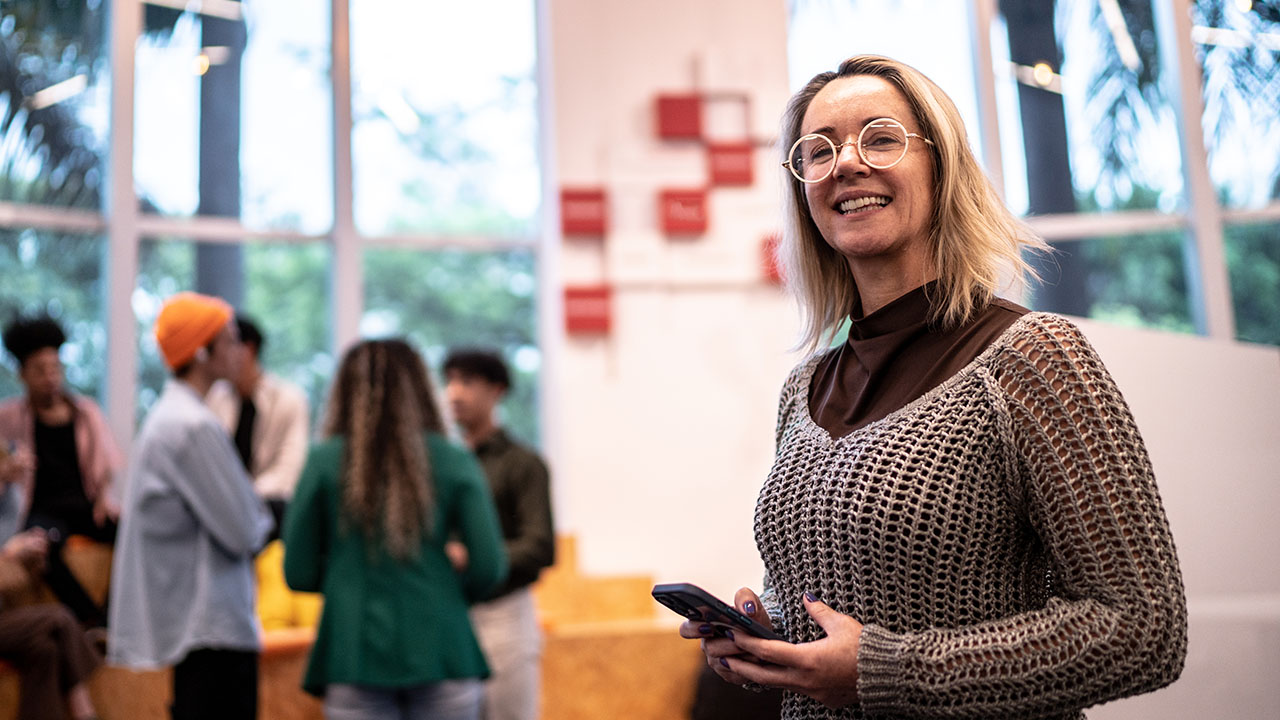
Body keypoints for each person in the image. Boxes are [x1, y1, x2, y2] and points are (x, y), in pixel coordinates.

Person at [678, 55, 1187, 719]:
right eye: (818, 149)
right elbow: (838, 600)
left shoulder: (1033, 360)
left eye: (881, 137)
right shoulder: (803, 388)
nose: (847, 163)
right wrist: (767, 636)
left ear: (940, 166)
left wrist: (886, 672)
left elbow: (1143, 630)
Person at [284, 338, 507, 720]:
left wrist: (347, 580)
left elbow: (298, 571)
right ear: (420, 388)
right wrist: (446, 593)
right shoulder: (453, 459)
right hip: (445, 649)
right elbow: (489, 566)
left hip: (353, 653)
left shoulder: (323, 461)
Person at [108, 292, 272, 720]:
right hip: (212, 625)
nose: (241, 351)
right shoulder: (192, 426)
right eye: (232, 340)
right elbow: (242, 528)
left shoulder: (174, 417)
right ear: (202, 353)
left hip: (201, 627)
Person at [442, 349, 555, 720]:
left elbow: (540, 546)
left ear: (497, 390)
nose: (454, 392)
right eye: (450, 380)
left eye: (467, 382)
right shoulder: (443, 462)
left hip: (504, 616)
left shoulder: (523, 463)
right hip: (451, 615)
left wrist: (472, 557)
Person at [0, 315, 123, 629]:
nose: (50, 377)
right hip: (40, 510)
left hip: (85, 505)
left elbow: (107, 465)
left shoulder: (86, 413)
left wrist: (104, 497)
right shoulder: (9, 417)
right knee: (44, 544)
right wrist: (7, 471)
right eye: (39, 370)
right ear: (22, 374)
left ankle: (116, 615)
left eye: (55, 368)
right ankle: (91, 620)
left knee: (131, 532)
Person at [206, 314, 310, 541]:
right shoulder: (215, 399)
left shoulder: (288, 399)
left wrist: (243, 497)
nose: (218, 355)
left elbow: (289, 470)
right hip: (224, 512)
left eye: (228, 344)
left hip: (270, 510)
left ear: (249, 349)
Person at [0, 527, 103, 720]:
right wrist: (8, 554)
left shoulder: (10, 510)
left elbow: (17, 592)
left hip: (8, 620)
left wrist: (30, 558)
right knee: (59, 618)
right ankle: (85, 712)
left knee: (45, 649)